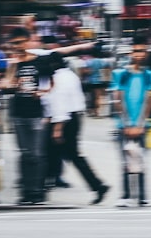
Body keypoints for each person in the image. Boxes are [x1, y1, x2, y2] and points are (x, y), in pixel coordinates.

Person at [43, 53, 110, 205]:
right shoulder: (70, 75)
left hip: (64, 120)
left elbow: (60, 103)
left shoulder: (59, 79)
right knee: (59, 154)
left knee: (63, 154)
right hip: (75, 117)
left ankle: (97, 185)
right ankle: (96, 185)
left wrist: (57, 128)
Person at [0, 28, 52, 205]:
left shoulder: (41, 62)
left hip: (37, 113)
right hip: (18, 114)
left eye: (20, 42)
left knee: (36, 154)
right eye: (14, 43)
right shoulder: (13, 63)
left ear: (28, 41)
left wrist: (42, 93)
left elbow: (49, 85)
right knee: (24, 154)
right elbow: (6, 85)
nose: (18, 46)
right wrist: (13, 66)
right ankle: (26, 192)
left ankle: (38, 192)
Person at [110, 36, 151, 207]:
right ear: (131, 52)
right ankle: (125, 196)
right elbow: (118, 100)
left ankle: (142, 197)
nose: (139, 54)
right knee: (126, 162)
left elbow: (149, 100)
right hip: (123, 126)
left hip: (141, 126)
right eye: (136, 51)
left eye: (142, 51)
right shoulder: (121, 74)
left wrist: (139, 125)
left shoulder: (149, 75)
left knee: (141, 161)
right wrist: (127, 124)